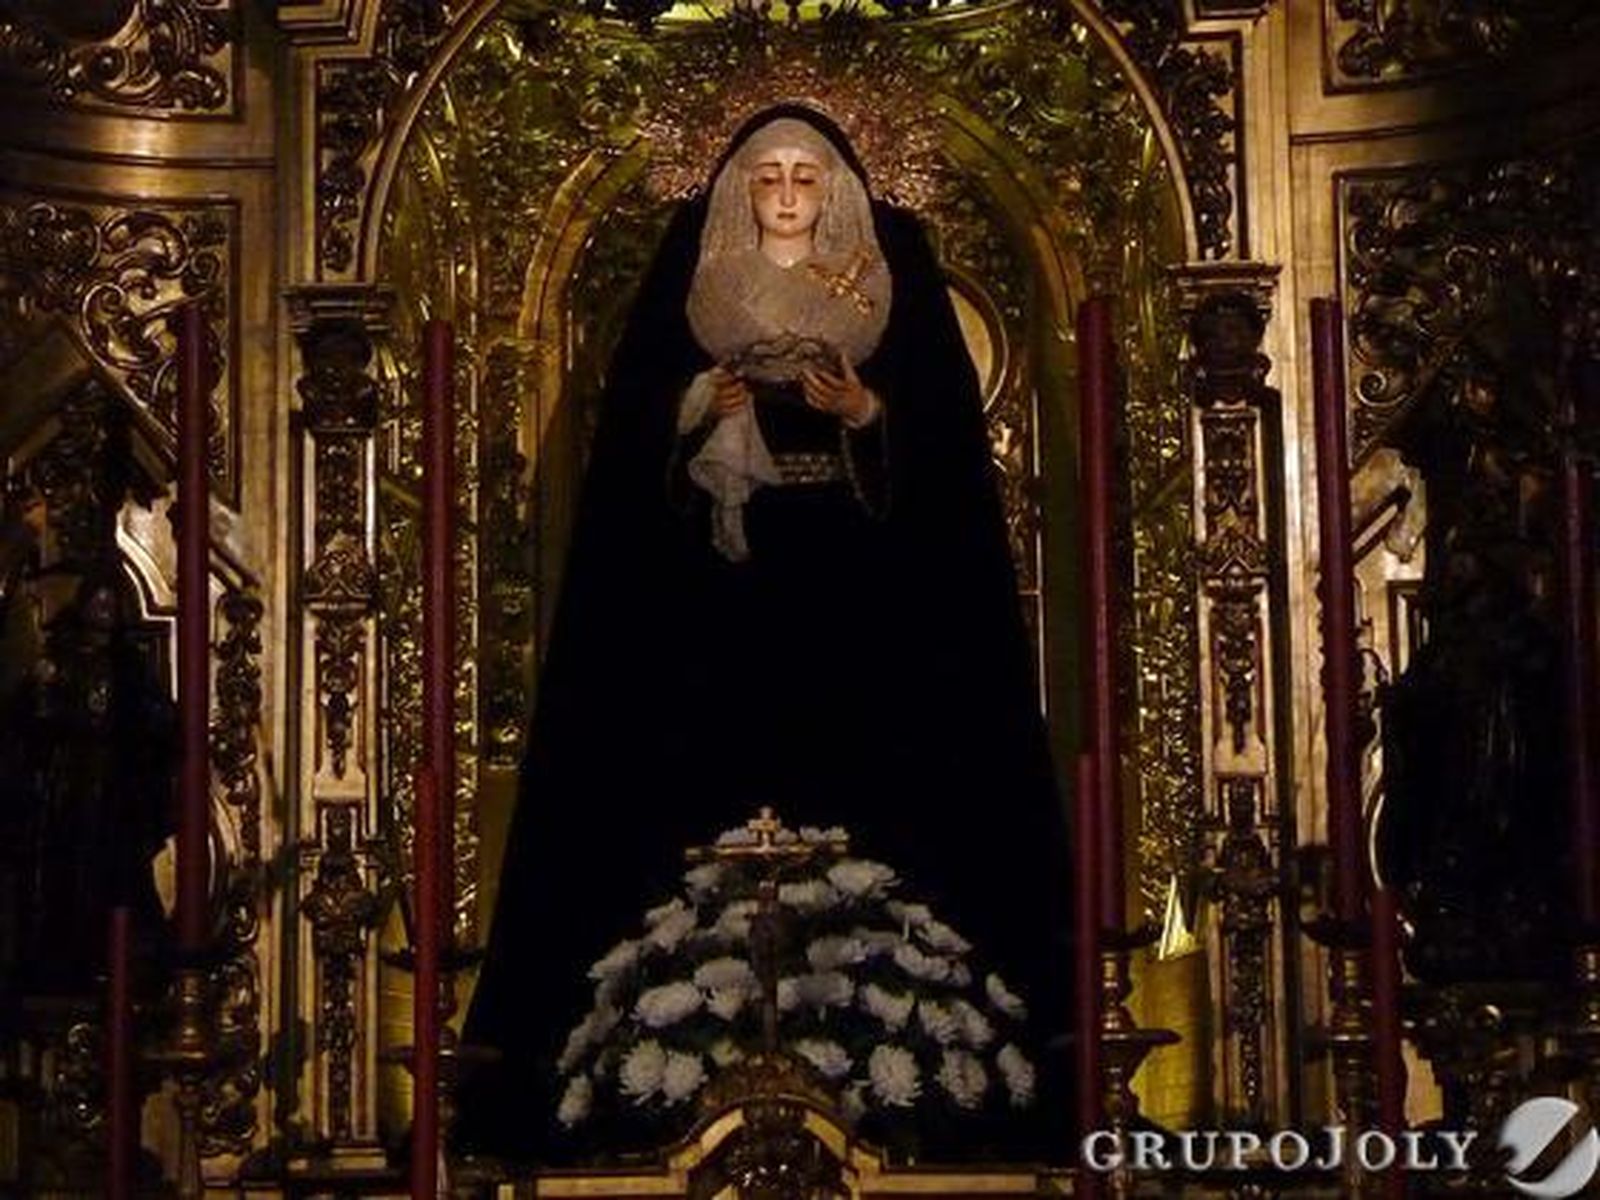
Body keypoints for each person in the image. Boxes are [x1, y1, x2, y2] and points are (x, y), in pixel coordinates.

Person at [458, 106, 1069, 1163]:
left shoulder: (892, 276)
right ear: (740, 189)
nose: (786, 193)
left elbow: (948, 467)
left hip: (864, 605)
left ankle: (916, 1064)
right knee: (689, 789)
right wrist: (701, 399)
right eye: (768, 177)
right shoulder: (691, 283)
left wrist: (866, 412)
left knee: (883, 789)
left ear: (835, 191)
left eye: (804, 177)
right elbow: (631, 470)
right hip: (713, 611)